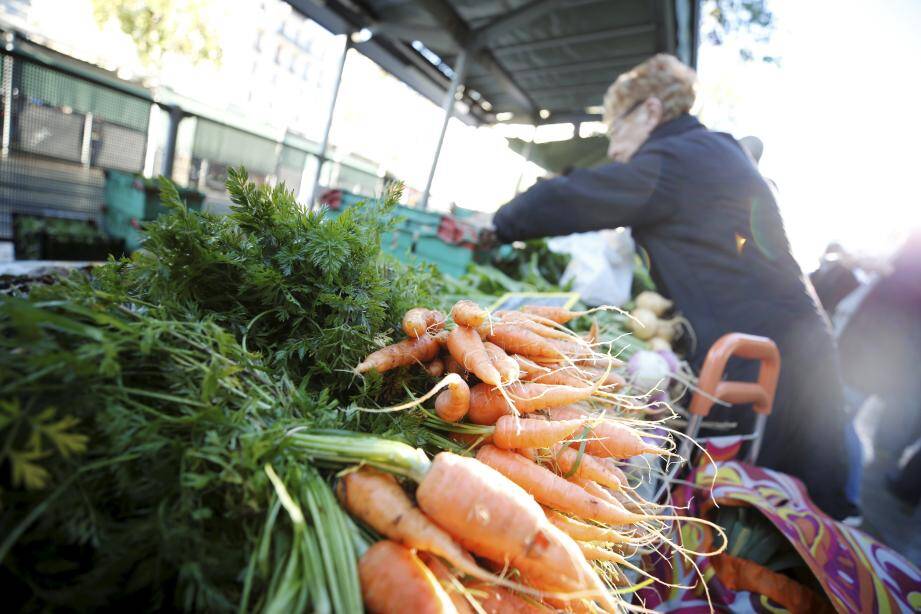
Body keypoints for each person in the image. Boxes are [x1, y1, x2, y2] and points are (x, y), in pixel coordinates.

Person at [490, 54, 853, 519]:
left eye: (615, 128)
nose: (615, 148)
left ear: (650, 111)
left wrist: (500, 224)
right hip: (784, 344)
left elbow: (578, 196)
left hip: (766, 358)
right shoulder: (708, 152)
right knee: (783, 502)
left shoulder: (678, 159)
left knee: (765, 511)